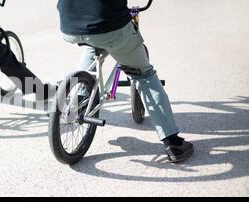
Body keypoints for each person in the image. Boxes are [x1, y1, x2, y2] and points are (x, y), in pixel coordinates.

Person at [57, 0, 194, 163]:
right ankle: (173, 143)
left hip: (69, 25)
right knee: (144, 75)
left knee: (92, 43)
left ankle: (80, 101)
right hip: (109, 25)